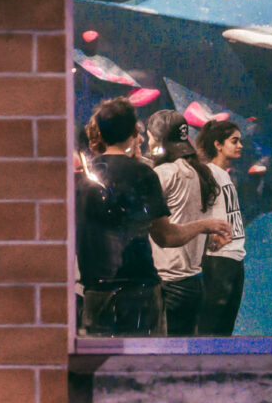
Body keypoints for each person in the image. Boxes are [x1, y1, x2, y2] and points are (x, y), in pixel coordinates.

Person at [75, 98, 233, 336]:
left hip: (95, 291)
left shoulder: (83, 179)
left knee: (101, 365)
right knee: (146, 364)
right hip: (139, 293)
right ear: (133, 132)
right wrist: (205, 225)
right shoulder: (142, 174)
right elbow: (166, 237)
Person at [145, 109, 219, 336]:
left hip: (169, 282)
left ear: (157, 140)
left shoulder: (165, 173)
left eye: (149, 137)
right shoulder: (198, 172)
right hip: (193, 281)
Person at [194, 120, 248, 335]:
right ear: (218, 144)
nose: (240, 145)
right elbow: (196, 209)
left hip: (234, 256)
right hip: (218, 260)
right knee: (211, 325)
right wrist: (207, 237)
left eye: (240, 141)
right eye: (234, 141)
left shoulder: (224, 174)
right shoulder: (208, 173)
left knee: (226, 325)